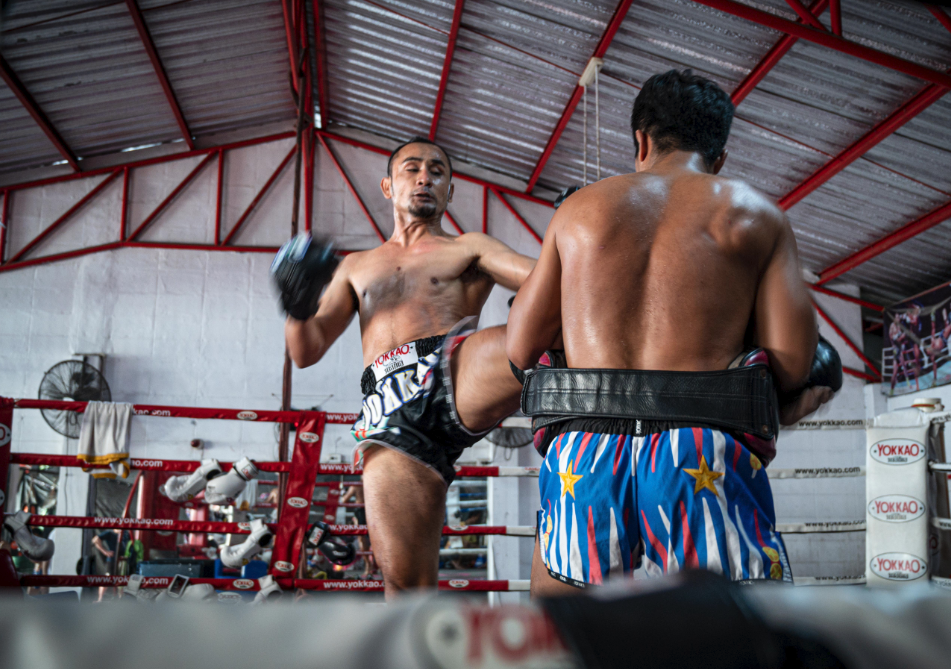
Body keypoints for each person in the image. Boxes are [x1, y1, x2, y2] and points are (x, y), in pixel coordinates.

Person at [507, 70, 835, 596]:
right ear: (719, 156)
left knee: (571, 640)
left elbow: (520, 351)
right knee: (720, 645)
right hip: (700, 452)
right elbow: (796, 364)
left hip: (583, 451)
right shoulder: (755, 214)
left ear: (641, 140)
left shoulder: (577, 212)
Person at [277, 137, 536, 599]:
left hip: (449, 369)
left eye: (437, 171)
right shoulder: (356, 266)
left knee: (542, 330)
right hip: (388, 409)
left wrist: (570, 243)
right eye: (412, 169)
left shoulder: (468, 248)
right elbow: (306, 351)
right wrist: (296, 305)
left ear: (449, 190)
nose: (424, 177)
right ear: (387, 186)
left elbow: (537, 277)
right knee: (406, 591)